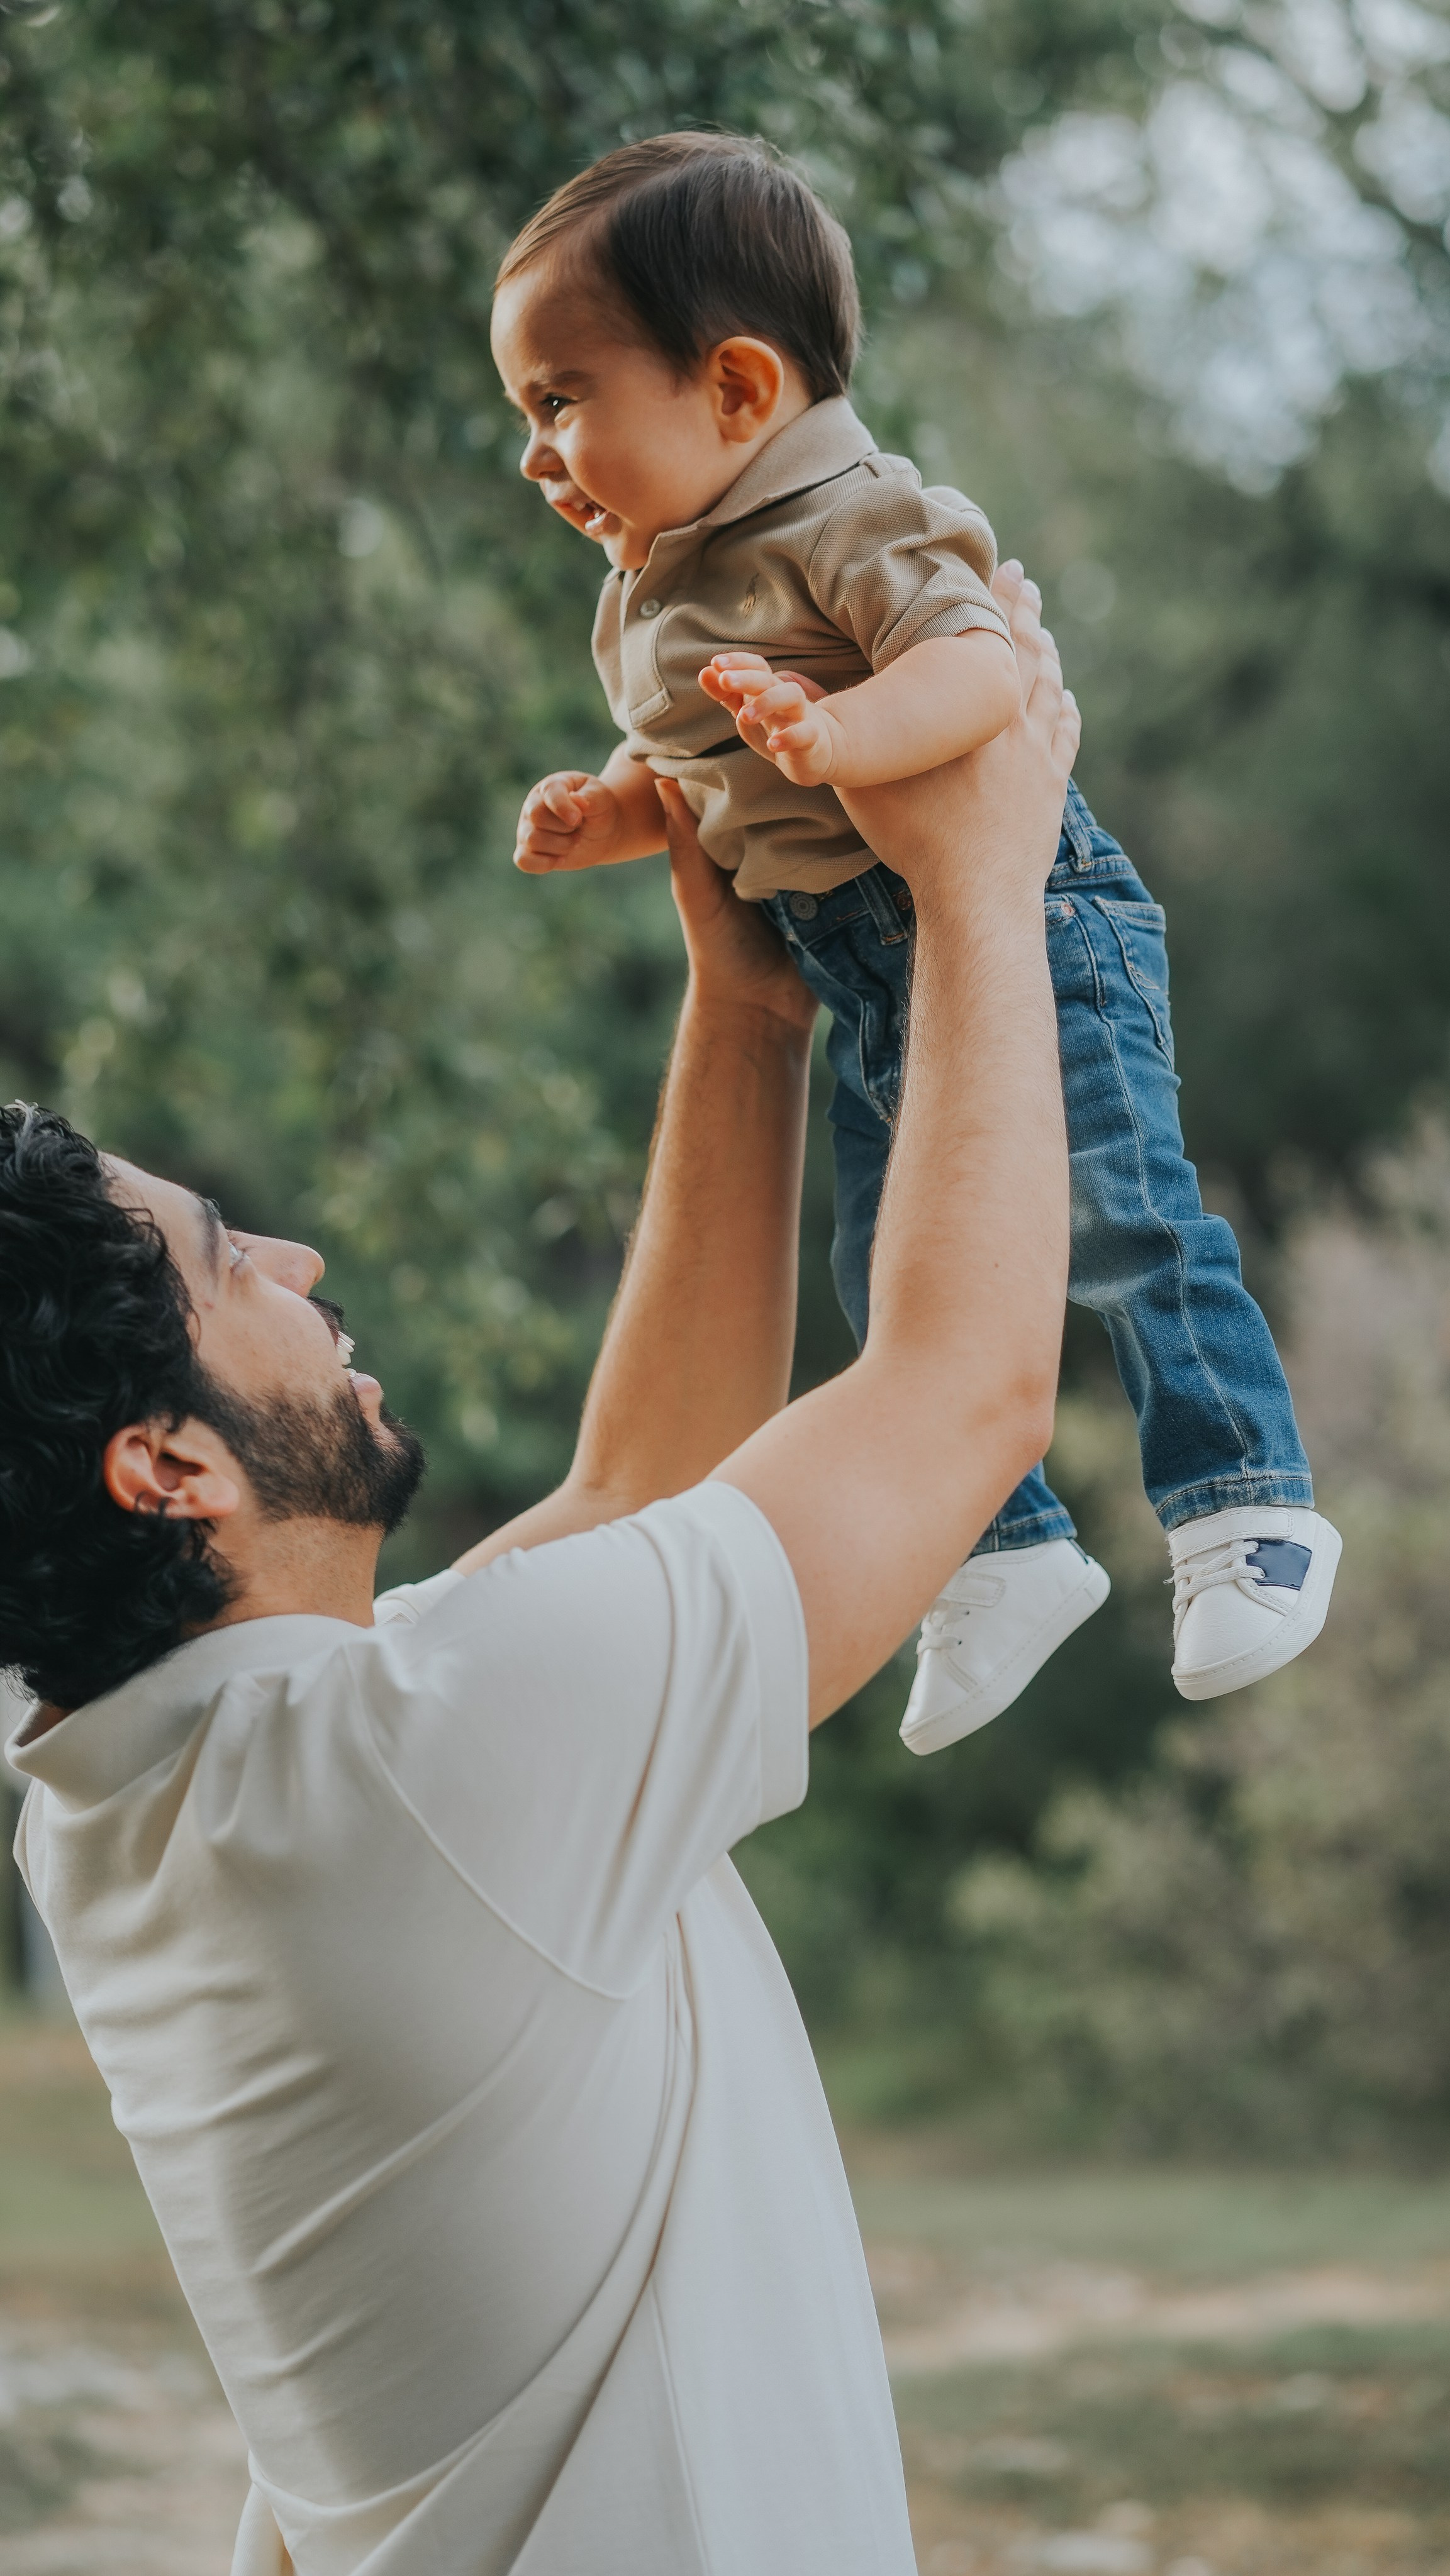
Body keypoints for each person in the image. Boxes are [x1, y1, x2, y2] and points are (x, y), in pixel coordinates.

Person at [5, 575, 1069, 2575]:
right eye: (232, 1269)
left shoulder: (157, 1788)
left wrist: (745, 1008)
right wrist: (985, 881)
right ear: (164, 1466)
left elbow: (635, 1486)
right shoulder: (413, 1774)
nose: (303, 1272)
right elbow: (964, 1399)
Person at [494, 130, 1341, 1752]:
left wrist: (840, 737)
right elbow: (676, 757)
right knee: (894, 1267)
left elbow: (977, 681)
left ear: (737, 390)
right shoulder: (653, 587)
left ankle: (1250, 1506)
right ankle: (1000, 1556)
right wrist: (608, 812)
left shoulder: (857, 516)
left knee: (1117, 1209)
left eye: (561, 400)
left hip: (1022, 912)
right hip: (856, 961)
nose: (539, 455)